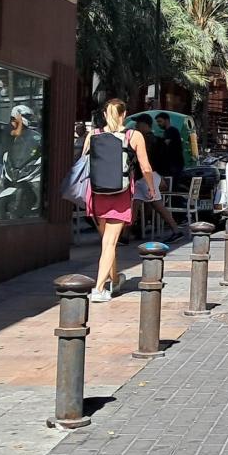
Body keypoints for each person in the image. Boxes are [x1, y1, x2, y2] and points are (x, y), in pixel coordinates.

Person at [84, 99, 158, 303]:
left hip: (97, 194)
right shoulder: (133, 135)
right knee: (110, 243)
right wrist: (152, 188)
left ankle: (115, 279)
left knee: (107, 242)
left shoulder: (93, 135)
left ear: (106, 115)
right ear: (124, 115)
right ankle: (98, 289)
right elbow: (145, 166)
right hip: (120, 193)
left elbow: (84, 162)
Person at [132, 117, 181, 237]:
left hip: (147, 176)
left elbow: (146, 161)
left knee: (156, 203)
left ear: (145, 124)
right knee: (135, 203)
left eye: (138, 124)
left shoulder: (146, 140)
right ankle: (125, 235)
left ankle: (176, 230)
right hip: (147, 176)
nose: (136, 127)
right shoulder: (157, 140)